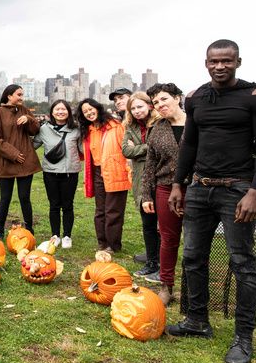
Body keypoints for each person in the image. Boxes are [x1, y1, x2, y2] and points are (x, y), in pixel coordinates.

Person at [165, 40, 256, 363]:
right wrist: (177, 184)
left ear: (238, 62)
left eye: (227, 61)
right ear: (206, 62)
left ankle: (244, 337)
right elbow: (189, 144)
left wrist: (254, 192)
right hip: (200, 188)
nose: (220, 66)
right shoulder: (196, 97)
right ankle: (197, 321)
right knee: (192, 256)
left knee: (242, 263)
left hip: (237, 189)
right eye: (214, 61)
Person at [140, 83, 186, 305]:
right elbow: (150, 165)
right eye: (156, 102)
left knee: (196, 241)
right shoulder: (157, 128)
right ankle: (166, 286)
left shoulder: (197, 123)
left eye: (164, 99)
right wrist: (146, 195)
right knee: (168, 238)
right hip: (165, 187)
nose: (160, 105)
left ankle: (192, 285)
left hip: (195, 188)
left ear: (178, 98)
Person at [76, 98, 131, 253]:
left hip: (115, 171)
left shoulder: (115, 126)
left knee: (113, 211)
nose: (88, 113)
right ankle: (102, 243)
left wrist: (129, 171)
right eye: (85, 112)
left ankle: (113, 245)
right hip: (97, 172)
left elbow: (126, 151)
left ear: (98, 108)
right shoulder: (88, 130)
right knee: (100, 211)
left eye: (90, 109)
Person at [0, 85, 41, 239]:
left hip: (25, 162)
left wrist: (29, 119)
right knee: (5, 198)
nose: (21, 97)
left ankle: (29, 231)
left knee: (25, 198)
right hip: (6, 162)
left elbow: (35, 130)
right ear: (9, 96)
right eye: (19, 94)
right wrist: (13, 154)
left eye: (22, 94)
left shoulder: (23, 110)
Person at [33, 100, 82, 248]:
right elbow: (32, 145)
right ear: (52, 112)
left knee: (68, 205)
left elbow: (84, 149)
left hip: (70, 172)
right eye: (57, 109)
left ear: (68, 112)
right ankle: (55, 234)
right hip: (50, 173)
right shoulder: (44, 129)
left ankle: (67, 235)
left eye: (63, 109)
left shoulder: (76, 129)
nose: (60, 112)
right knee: (54, 205)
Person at [121, 92, 160, 279]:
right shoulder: (130, 126)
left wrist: (142, 148)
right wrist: (148, 147)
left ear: (149, 105)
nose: (136, 111)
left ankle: (162, 262)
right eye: (133, 108)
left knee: (163, 223)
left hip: (160, 177)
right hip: (140, 179)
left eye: (140, 107)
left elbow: (162, 149)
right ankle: (152, 260)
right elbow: (126, 150)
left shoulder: (161, 123)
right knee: (148, 222)